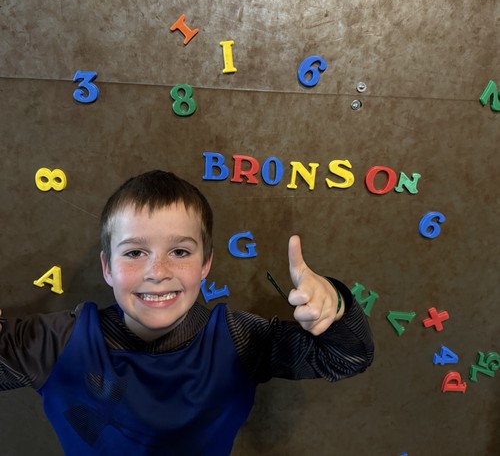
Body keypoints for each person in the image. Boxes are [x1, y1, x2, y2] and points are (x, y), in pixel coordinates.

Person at [0, 170, 374, 455]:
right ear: (107, 267)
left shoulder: (239, 338)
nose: (158, 272)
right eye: (134, 252)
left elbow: (349, 357)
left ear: (205, 264)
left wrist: (335, 304)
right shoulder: (59, 343)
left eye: (179, 252)